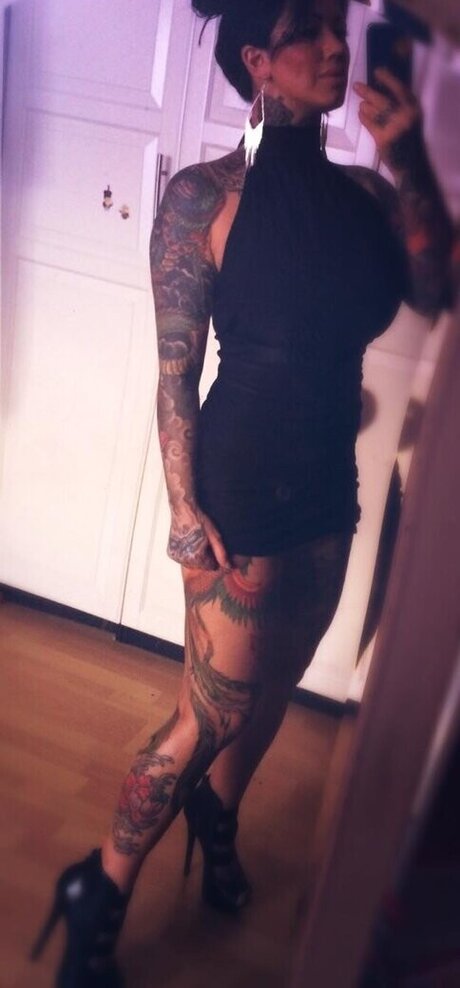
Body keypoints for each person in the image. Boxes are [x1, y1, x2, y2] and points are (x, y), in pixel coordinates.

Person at [30, 0, 453, 984]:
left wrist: (408, 154)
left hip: (329, 484)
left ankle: (214, 826)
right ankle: (99, 888)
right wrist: (183, 507)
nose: (336, 45)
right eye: (309, 31)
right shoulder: (202, 198)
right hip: (238, 490)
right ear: (259, 59)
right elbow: (175, 371)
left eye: (339, 25)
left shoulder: (369, 194)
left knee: (271, 690)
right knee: (210, 712)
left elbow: (436, 290)